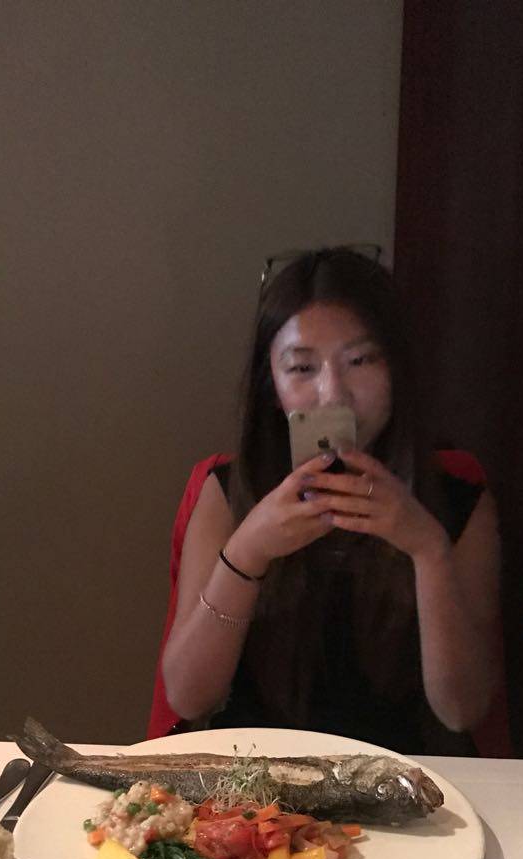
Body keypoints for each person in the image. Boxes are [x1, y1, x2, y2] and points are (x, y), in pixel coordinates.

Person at [157, 247, 503, 755]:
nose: (333, 393)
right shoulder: (230, 489)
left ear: (396, 370)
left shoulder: (458, 498)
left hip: (408, 775)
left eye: (360, 361)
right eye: (302, 367)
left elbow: (463, 709)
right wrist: (248, 551)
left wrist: (428, 550)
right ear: (272, 386)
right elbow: (188, 697)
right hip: (255, 775)